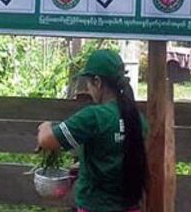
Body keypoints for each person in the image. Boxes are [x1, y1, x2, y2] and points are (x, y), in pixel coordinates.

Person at [36, 49, 147, 212]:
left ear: (97, 81)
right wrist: (84, 166)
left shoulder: (94, 116)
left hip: (97, 206)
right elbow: (118, 158)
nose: (87, 90)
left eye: (88, 84)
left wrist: (44, 126)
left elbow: (46, 140)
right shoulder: (137, 119)